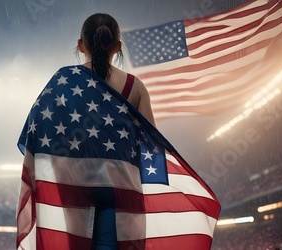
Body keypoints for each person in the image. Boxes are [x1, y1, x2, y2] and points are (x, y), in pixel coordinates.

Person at [16, 13, 220, 250]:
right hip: (122, 182)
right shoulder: (136, 88)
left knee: (78, 245)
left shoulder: (63, 81)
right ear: (117, 47)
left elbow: (37, 132)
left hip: (75, 182)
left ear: (81, 45)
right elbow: (151, 147)